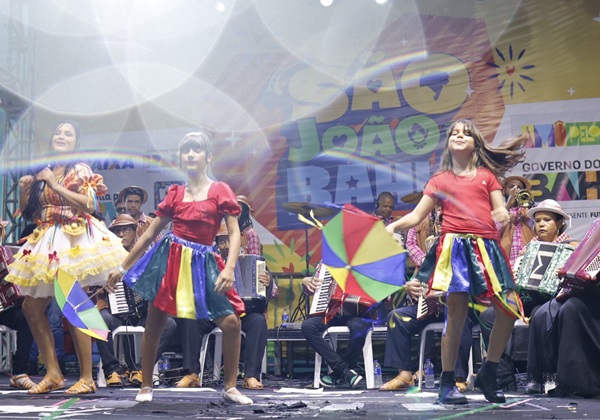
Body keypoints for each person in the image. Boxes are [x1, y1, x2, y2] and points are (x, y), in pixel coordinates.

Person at [385, 119, 527, 404]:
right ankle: (448, 382)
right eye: (454, 133)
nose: (459, 136)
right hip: (456, 250)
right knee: (456, 317)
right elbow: (416, 216)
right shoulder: (439, 181)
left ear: (475, 144)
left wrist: (501, 213)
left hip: (486, 248)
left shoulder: (487, 177)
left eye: (465, 133)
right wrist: (393, 226)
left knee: (510, 309)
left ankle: (489, 371)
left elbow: (499, 209)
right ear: (448, 143)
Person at [107, 131, 252, 404]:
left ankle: (231, 387)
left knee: (231, 323)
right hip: (172, 258)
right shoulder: (175, 193)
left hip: (204, 261)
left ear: (208, 156)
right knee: (155, 323)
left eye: (197, 150)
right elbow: (149, 234)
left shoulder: (220, 190)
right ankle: (146, 385)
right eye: (186, 151)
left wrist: (230, 268)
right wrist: (122, 268)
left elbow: (234, 233)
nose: (191, 155)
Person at [6, 120, 128, 395]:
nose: (61, 136)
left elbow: (90, 204)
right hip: (47, 238)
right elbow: (30, 213)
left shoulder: (79, 169)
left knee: (72, 304)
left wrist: (54, 184)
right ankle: (53, 373)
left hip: (72, 236)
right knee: (31, 308)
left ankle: (86, 378)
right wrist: (26, 190)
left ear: (76, 142)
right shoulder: (45, 171)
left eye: (68, 133)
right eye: (58, 132)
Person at [174, 221, 273, 390]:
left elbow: (263, 299)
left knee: (258, 321)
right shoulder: (209, 261)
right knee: (191, 318)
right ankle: (192, 374)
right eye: (222, 241)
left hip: (243, 313)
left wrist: (268, 284)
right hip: (216, 312)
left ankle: (250, 375)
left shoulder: (255, 262)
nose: (226, 246)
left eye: (229, 240)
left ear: (241, 240)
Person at [96, 214, 177, 387]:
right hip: (116, 313)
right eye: (117, 231)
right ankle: (112, 371)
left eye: (126, 230)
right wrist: (102, 287)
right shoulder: (105, 259)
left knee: (169, 324)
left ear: (135, 232)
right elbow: (93, 285)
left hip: (143, 312)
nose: (121, 234)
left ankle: (141, 368)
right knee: (99, 320)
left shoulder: (146, 258)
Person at [523, 200, 581, 394]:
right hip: (529, 297)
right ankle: (502, 376)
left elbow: (579, 275)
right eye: (538, 220)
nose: (541, 224)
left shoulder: (572, 246)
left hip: (560, 298)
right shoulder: (529, 249)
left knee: (540, 313)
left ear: (559, 223)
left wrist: (565, 270)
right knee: (491, 315)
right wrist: (517, 271)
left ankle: (540, 378)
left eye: (547, 220)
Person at [380, 279, 477, 392]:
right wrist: (409, 287)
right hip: (430, 307)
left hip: (461, 305)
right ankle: (405, 375)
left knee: (459, 320)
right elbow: (413, 279)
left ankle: (457, 377)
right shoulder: (425, 267)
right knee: (396, 317)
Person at [301, 261, 382, 389]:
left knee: (359, 327)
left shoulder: (372, 261)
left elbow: (386, 296)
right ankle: (345, 371)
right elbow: (313, 286)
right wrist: (306, 282)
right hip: (332, 312)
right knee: (308, 326)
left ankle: (340, 373)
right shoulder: (327, 261)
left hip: (359, 314)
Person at [498, 175, 535, 267]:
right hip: (506, 261)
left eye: (519, 187)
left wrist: (527, 210)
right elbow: (495, 229)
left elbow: (537, 231)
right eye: (511, 187)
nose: (516, 190)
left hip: (528, 260)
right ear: (504, 190)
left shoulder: (531, 209)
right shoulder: (499, 209)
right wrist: (508, 205)